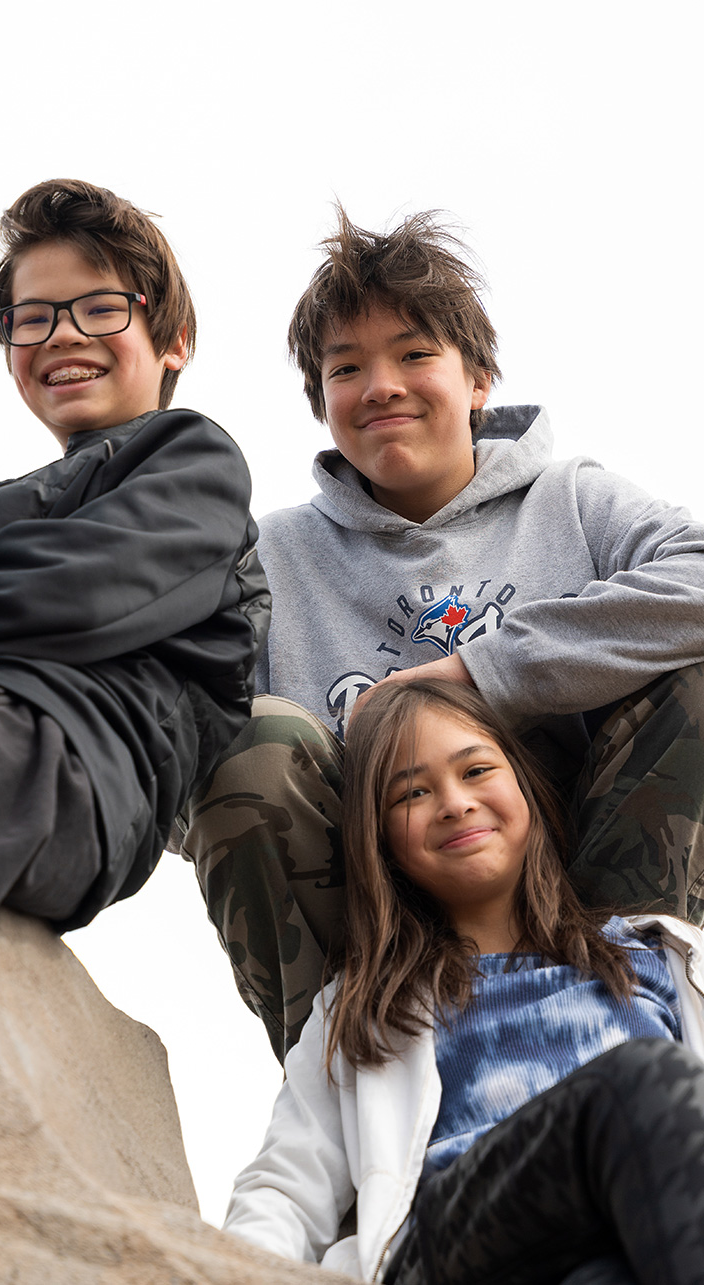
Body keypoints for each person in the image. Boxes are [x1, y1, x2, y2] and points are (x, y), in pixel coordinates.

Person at [178, 208, 704, 1061]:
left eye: (415, 354)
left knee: (692, 672)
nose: (381, 384)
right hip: (381, 922)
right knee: (248, 748)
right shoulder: (269, 558)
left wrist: (483, 671)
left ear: (478, 377)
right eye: (346, 367)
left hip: (577, 879)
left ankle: (624, 1015)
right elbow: (182, 750)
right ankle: (345, 1075)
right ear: (323, 402)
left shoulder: (573, 500)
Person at [0, 178, 269, 1009]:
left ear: (172, 339)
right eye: (32, 317)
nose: (62, 334)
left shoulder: (193, 462)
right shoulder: (9, 504)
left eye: (100, 307)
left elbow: (72, 598)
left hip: (68, 748)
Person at [224, 679, 704, 1284]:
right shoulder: (368, 1004)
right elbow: (283, 1192)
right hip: (456, 1249)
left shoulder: (663, 957)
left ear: (525, 786)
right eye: (413, 793)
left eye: (476, 770)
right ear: (382, 845)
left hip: (631, 1239)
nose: (454, 802)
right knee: (643, 1081)